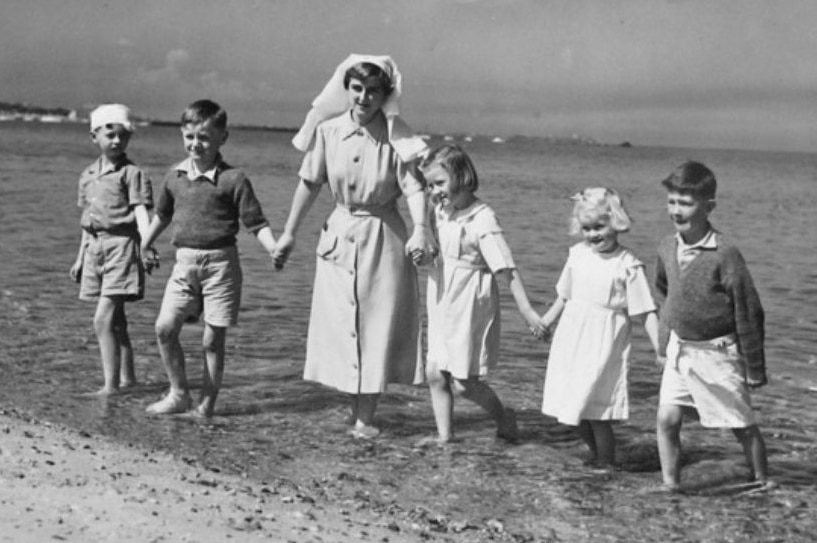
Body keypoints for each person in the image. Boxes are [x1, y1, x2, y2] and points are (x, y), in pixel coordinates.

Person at [272, 54, 429, 439]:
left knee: (376, 326)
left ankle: (366, 418)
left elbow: (414, 187)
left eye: (373, 91)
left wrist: (422, 229)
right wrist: (289, 233)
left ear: (385, 94)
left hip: (383, 236)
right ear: (347, 89)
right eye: (357, 89)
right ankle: (353, 409)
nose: (363, 98)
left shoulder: (399, 135)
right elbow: (309, 183)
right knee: (343, 324)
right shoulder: (326, 132)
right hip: (339, 233)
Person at [140, 99, 278, 417]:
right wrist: (145, 243)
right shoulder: (174, 176)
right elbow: (161, 215)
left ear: (222, 138)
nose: (195, 144)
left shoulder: (234, 179)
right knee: (164, 328)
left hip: (221, 265)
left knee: (211, 339)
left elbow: (255, 222)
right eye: (189, 137)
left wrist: (273, 248)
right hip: (184, 263)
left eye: (203, 137)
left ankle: (206, 406)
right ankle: (178, 394)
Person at [654, 161, 772, 492]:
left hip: (718, 352)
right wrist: (664, 346)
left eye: (686, 203)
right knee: (666, 419)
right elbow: (665, 294)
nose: (676, 210)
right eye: (672, 201)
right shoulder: (666, 246)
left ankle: (762, 482)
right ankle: (670, 484)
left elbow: (749, 311)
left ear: (709, 206)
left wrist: (754, 368)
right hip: (680, 350)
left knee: (741, 425)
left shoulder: (724, 253)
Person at [418, 144, 545, 446]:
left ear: (460, 176)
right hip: (441, 295)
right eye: (429, 185)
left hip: (470, 302)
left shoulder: (482, 219)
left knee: (463, 384)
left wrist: (527, 312)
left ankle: (504, 417)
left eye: (439, 183)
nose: (434, 191)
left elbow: (507, 269)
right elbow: (435, 250)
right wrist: (423, 256)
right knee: (435, 372)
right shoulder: (439, 211)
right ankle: (445, 437)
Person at [540, 187, 660, 468]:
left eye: (600, 227)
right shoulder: (578, 255)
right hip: (571, 339)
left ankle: (606, 462)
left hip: (603, 343)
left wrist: (660, 349)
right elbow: (564, 295)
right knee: (570, 407)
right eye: (587, 228)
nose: (593, 234)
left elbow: (645, 311)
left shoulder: (627, 265)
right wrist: (546, 321)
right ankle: (598, 455)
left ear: (616, 222)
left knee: (596, 409)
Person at [70, 104, 155, 395]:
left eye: (123, 135)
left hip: (122, 247)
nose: (117, 141)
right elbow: (87, 222)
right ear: (95, 136)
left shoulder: (132, 173)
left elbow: (142, 213)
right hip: (95, 248)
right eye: (110, 135)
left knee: (102, 318)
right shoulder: (87, 175)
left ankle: (110, 387)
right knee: (117, 322)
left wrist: (147, 246)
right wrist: (80, 258)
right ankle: (128, 380)